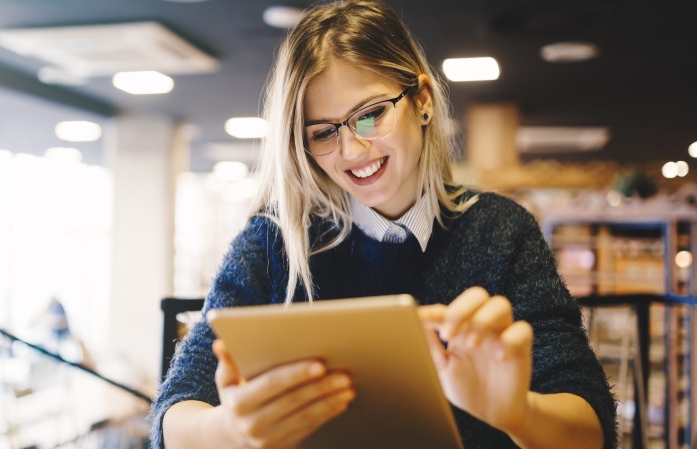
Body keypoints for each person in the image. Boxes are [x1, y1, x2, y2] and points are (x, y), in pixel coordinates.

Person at [152, 0, 617, 448]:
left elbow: (589, 425)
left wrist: (518, 412)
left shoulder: (500, 231)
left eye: (371, 115)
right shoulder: (274, 242)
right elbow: (175, 414)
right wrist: (230, 432)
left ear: (422, 101)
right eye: (323, 132)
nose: (353, 152)